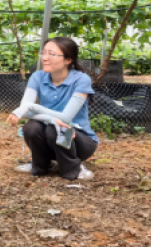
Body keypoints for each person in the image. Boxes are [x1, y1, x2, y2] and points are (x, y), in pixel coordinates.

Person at [6, 37, 98, 180]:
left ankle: (74, 168)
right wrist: (49, 118)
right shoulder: (37, 77)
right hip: (51, 141)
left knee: (58, 128)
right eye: (44, 53)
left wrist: (31, 108)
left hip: (80, 141)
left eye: (52, 54)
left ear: (68, 60)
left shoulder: (81, 79)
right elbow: (25, 110)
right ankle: (40, 165)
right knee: (31, 127)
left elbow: (65, 118)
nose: (45, 58)